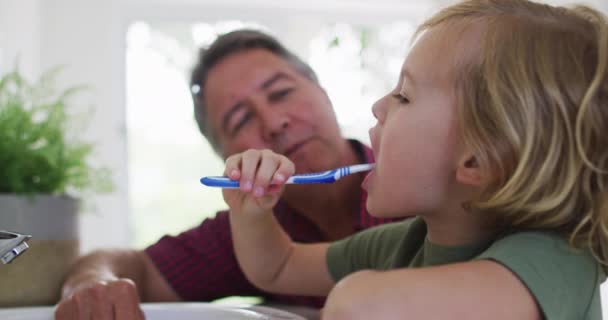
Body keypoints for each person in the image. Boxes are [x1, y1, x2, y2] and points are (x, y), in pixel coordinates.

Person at [223, 1, 608, 319]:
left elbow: (361, 307)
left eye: (404, 96)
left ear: (477, 161)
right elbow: (278, 267)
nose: (378, 107)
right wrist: (252, 210)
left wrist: (352, 295)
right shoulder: (405, 242)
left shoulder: (560, 258)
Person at [54, 30, 399, 319]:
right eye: (240, 120)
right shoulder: (248, 227)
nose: (274, 123)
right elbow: (134, 267)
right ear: (226, 156)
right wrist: (89, 282)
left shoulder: (422, 188)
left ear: (322, 91)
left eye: (281, 93)